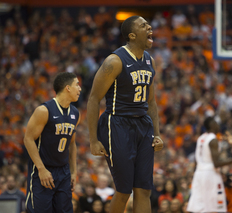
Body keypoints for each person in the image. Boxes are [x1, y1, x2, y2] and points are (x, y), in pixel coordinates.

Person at [87, 15, 164, 213]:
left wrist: (156, 134)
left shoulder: (150, 61)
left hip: (143, 125)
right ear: (132, 35)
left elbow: (151, 102)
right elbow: (94, 99)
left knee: (144, 190)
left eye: (149, 24)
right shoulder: (115, 61)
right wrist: (94, 140)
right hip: (118, 124)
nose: (149, 27)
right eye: (143, 25)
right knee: (124, 190)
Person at [24, 72, 81, 213]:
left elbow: (72, 144)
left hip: (63, 171)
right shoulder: (44, 110)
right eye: (77, 85)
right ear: (67, 88)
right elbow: (28, 139)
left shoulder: (75, 113)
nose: (80, 89)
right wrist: (41, 169)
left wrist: (73, 172)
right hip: (43, 170)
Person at [187, 116, 232, 213]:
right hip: (210, 174)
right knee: (214, 208)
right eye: (216, 123)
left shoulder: (201, 138)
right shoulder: (213, 139)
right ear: (212, 125)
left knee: (200, 208)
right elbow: (216, 163)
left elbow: (196, 161)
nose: (218, 125)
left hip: (199, 174)